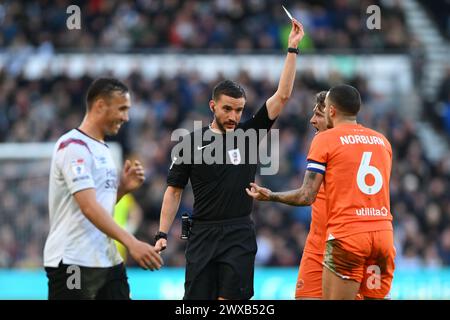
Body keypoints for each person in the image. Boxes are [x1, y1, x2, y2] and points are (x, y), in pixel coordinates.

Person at [154, 19, 305, 300]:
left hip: (238, 232)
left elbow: (282, 96)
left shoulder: (250, 133)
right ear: (213, 106)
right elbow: (173, 190)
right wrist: (162, 233)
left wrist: (292, 49)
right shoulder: (191, 142)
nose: (234, 116)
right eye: (227, 109)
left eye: (239, 110)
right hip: (201, 233)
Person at [246, 84, 395, 300]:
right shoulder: (382, 141)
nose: (313, 120)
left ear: (331, 111)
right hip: (380, 234)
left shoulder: (326, 141)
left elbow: (307, 195)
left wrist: (271, 195)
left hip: (345, 235)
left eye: (320, 112)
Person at [43, 78, 163, 300]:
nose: (126, 117)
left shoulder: (104, 150)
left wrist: (122, 190)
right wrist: (132, 242)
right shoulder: (73, 147)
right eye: (122, 109)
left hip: (106, 260)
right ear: (100, 105)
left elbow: (97, 206)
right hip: (73, 260)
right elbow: (88, 207)